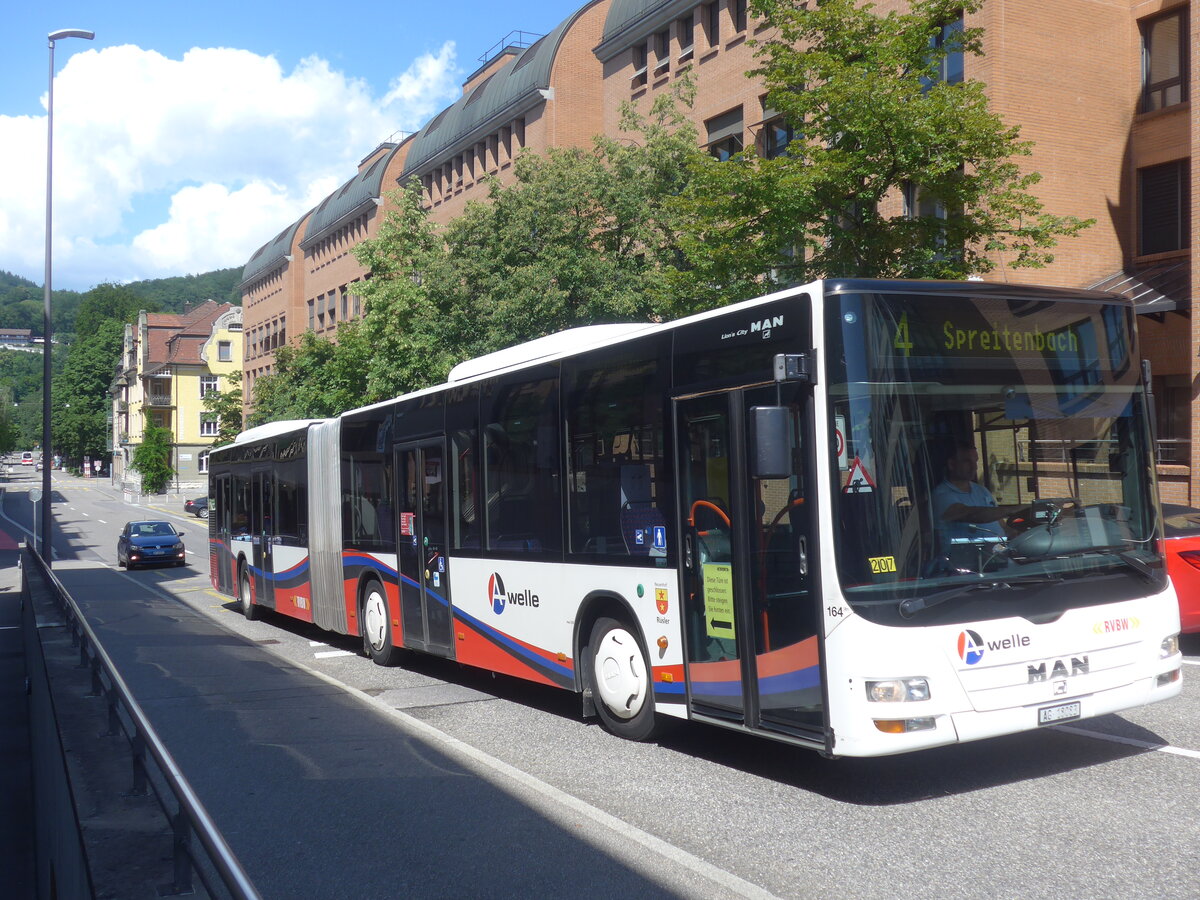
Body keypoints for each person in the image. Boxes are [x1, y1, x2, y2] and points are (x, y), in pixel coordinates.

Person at [931, 441, 1027, 560]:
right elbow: (974, 515)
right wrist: (1014, 510)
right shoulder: (941, 495)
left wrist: (1021, 536)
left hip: (996, 559)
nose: (974, 467)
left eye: (975, 461)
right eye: (967, 462)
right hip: (961, 565)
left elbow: (1001, 525)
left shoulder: (982, 490)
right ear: (952, 464)